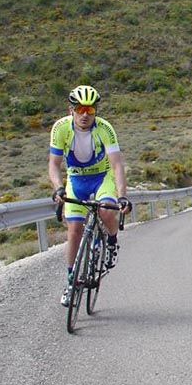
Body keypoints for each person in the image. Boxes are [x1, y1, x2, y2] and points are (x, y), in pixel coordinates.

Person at [49, 85, 131, 306]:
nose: (85, 115)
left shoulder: (105, 128)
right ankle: (71, 283)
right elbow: (54, 164)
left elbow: (117, 165)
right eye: (80, 109)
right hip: (76, 181)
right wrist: (58, 188)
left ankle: (111, 242)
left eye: (90, 110)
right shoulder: (60, 128)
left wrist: (122, 196)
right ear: (71, 110)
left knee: (106, 210)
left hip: (102, 178)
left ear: (95, 111)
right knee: (74, 230)